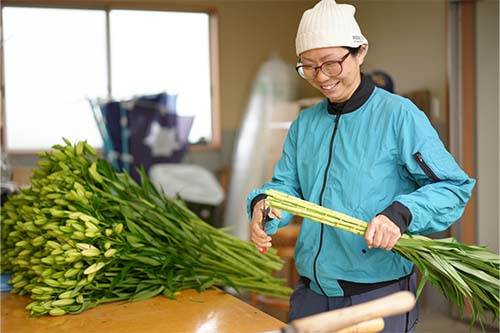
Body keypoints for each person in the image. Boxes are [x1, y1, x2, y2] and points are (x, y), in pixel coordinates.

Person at [246, 0, 475, 332]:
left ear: (360, 52)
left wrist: (399, 213)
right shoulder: (305, 123)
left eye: (331, 64)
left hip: (377, 295)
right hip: (310, 292)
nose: (321, 77)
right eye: (308, 66)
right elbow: (285, 186)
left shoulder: (399, 116)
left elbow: (452, 188)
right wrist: (263, 204)